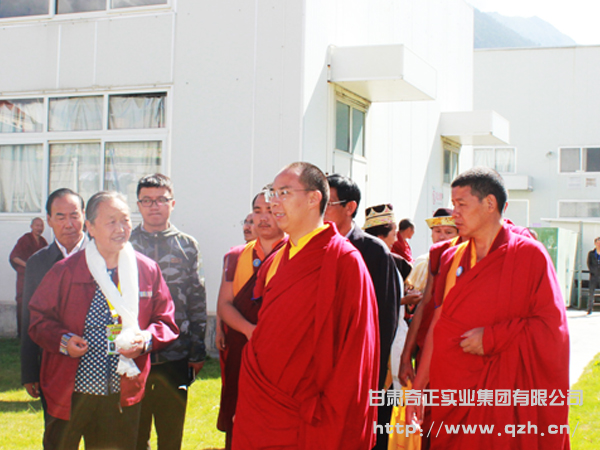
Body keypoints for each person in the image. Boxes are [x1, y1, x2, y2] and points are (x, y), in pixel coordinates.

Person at [408, 168, 570, 450]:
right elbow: (438, 324)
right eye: (453, 204)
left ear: (490, 204)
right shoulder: (452, 257)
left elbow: (552, 330)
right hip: (455, 394)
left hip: (505, 397)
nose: (454, 214)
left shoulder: (529, 256)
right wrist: (419, 387)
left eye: (461, 204)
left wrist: (493, 337)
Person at [232, 162, 379, 450]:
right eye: (272, 193)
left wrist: (334, 411)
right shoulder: (277, 258)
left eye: (284, 193)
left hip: (310, 411)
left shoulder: (343, 261)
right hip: (263, 400)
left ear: (314, 198)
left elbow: (357, 348)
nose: (273, 202)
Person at [29, 191, 179, 450]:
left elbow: (166, 322)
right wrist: (64, 341)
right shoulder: (66, 270)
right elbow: (38, 320)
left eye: (125, 220)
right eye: (111, 221)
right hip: (71, 393)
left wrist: (144, 341)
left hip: (121, 394)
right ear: (90, 227)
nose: (121, 229)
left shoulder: (146, 269)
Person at [129, 174, 207, 450]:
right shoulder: (125, 244)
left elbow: (197, 298)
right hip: (134, 355)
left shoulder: (187, 245)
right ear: (138, 205)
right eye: (147, 200)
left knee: (171, 434)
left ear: (172, 203)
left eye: (161, 199)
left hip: (176, 352)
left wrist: (197, 350)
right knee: (135, 435)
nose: (154, 206)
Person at [324, 175, 401, 450]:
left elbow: (386, 319)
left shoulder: (373, 251)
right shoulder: (314, 245)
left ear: (350, 207)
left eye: (328, 203)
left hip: (360, 368)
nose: (320, 210)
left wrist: (372, 375)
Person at [216, 189, 286, 449]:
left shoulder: (295, 254)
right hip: (242, 345)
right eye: (258, 211)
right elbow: (224, 304)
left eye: (270, 211)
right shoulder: (237, 256)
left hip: (282, 352)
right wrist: (248, 330)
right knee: (238, 418)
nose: (263, 218)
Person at [21, 189, 87, 416]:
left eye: (74, 215)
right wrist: (30, 371)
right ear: (49, 220)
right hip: (53, 364)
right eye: (60, 217)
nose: (69, 224)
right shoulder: (38, 263)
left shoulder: (102, 257)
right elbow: (29, 319)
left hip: (97, 364)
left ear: (84, 216)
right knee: (58, 432)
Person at [363, 204, 422, 394]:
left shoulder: (391, 259)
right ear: (381, 236)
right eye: (394, 233)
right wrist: (404, 301)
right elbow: (374, 302)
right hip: (378, 341)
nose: (396, 239)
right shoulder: (371, 261)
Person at [10, 217, 48, 336]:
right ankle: (22, 333)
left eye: (41, 226)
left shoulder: (43, 242)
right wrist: (28, 265)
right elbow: (14, 257)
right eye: (37, 225)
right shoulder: (24, 239)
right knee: (23, 303)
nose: (39, 228)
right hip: (25, 277)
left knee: (36, 303)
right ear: (31, 227)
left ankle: (34, 331)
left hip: (37, 278)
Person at [586, 237, 600, 315]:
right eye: (597, 243)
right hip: (594, 276)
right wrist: (593, 271)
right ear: (595, 243)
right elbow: (589, 263)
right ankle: (589, 308)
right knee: (591, 292)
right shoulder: (591, 253)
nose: (599, 244)